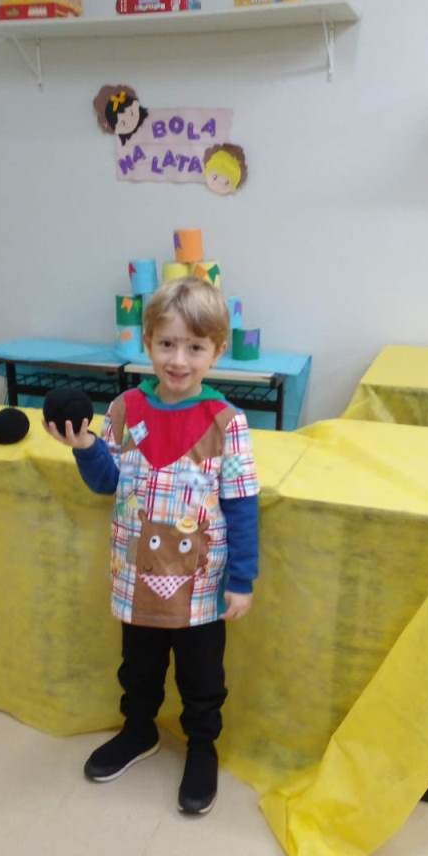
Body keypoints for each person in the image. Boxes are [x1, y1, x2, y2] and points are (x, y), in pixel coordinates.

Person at [44, 277, 259, 815]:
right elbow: (106, 482)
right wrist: (85, 446)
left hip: (202, 585)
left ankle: (202, 746)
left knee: (201, 676)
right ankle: (138, 729)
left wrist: (241, 579)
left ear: (216, 350)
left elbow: (241, 505)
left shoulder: (228, 423)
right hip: (134, 573)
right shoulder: (124, 408)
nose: (178, 360)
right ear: (147, 343)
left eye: (194, 347)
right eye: (166, 344)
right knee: (138, 666)